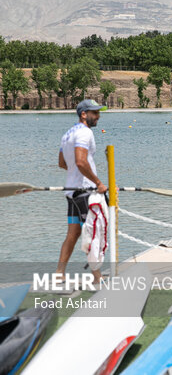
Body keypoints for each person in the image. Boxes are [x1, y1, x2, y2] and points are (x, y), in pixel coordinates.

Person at [56, 99, 108, 282]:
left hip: (71, 192)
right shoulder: (85, 133)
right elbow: (80, 161)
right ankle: (97, 277)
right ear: (83, 114)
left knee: (73, 233)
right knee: (94, 232)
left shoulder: (67, 134)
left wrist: (76, 175)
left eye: (98, 112)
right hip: (86, 192)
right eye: (95, 113)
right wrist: (98, 183)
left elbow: (63, 163)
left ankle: (59, 273)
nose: (98, 116)